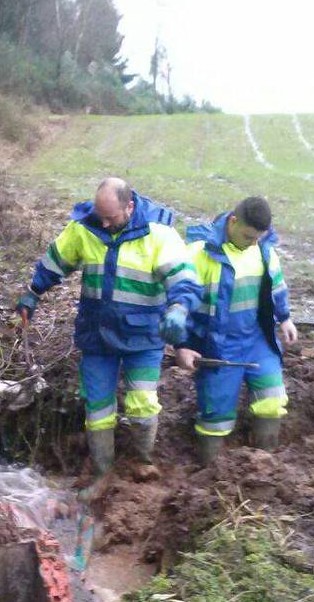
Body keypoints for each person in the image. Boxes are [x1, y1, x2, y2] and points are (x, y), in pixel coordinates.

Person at [15, 177, 198, 478]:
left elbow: (184, 279)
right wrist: (32, 293)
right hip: (96, 335)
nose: (104, 222)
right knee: (97, 410)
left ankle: (143, 462)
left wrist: (179, 309)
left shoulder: (159, 236)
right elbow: (55, 261)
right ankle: (103, 472)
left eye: (111, 217)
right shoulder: (85, 228)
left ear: (130, 206)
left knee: (142, 405)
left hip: (143, 335)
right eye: (100, 215)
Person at [159, 196, 297, 465]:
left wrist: (285, 318)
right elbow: (180, 299)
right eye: (248, 236)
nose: (253, 242)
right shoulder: (199, 253)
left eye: (258, 237)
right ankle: (211, 473)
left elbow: (276, 287)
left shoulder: (264, 251)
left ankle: (267, 467)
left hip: (257, 339)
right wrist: (182, 345)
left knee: (272, 400)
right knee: (216, 416)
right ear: (232, 221)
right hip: (217, 346)